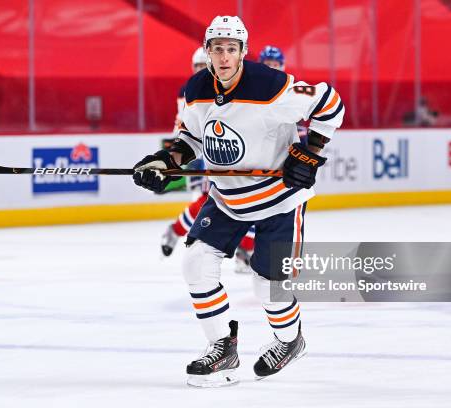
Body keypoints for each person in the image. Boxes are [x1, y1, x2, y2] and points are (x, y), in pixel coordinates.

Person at [133, 15, 344, 387]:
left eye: (232, 49)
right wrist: (163, 163)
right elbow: (190, 141)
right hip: (228, 198)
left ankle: (290, 340)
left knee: (268, 288)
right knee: (196, 263)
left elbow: (331, 103)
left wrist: (311, 153)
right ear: (208, 51)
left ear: (243, 52)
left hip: (279, 201)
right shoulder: (196, 88)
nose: (225, 56)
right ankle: (222, 349)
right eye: (218, 48)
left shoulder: (270, 84)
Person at [162, 47, 256, 275]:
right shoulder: (191, 89)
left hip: (230, 151)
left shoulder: (231, 84)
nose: (201, 70)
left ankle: (245, 250)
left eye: (204, 65)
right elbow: (188, 127)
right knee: (211, 200)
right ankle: (177, 231)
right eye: (197, 66)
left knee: (247, 198)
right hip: (203, 154)